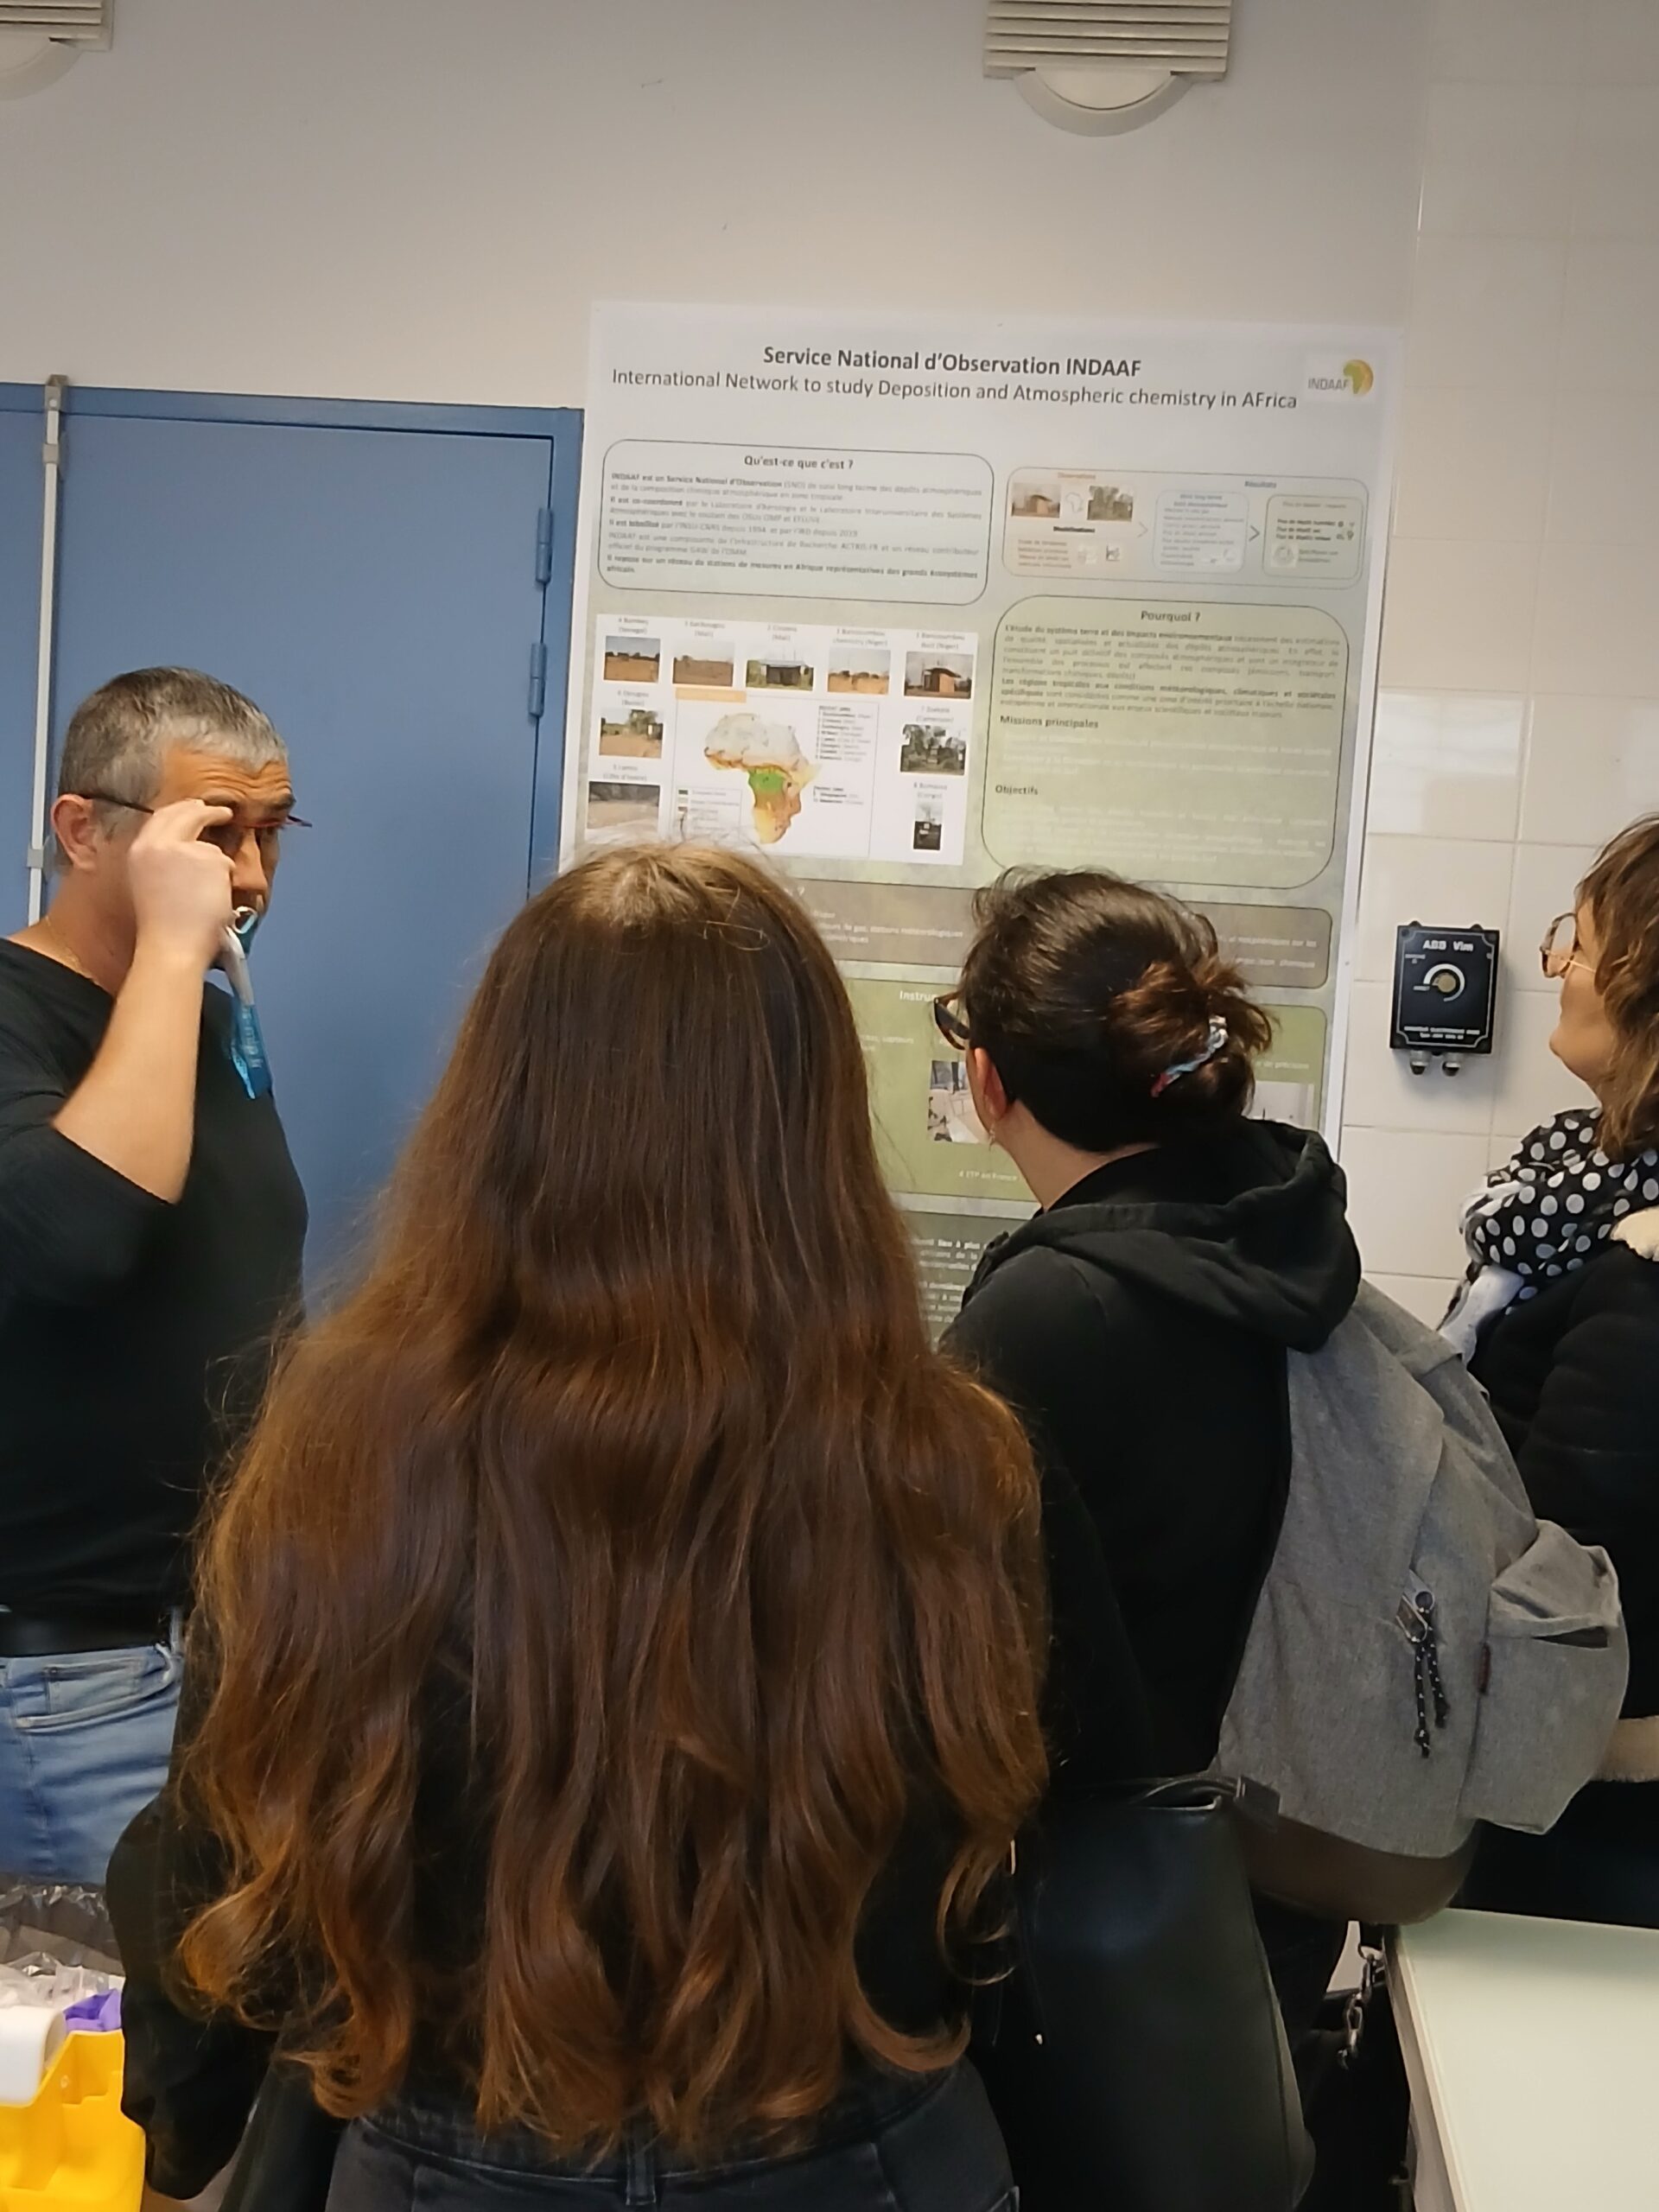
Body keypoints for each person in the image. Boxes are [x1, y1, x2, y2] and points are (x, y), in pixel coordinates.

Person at [110, 845, 1155, 2212]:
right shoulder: (952, 1464)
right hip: (868, 2146)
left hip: (446, 2151)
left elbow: (224, 1834)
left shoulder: (343, 1453)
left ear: (495, 1109)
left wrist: (181, 2138)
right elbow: (1084, 1826)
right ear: (812, 1123)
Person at [939, 868, 1363, 2047]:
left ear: (988, 1082)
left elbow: (949, 1639)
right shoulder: (1282, 1236)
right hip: (1274, 1859)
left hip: (1091, 1910)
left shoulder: (1049, 1312)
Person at [0, 668, 308, 1885]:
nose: (252, 877)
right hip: (66, 1679)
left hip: (223, 1653)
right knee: (90, 2003)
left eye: (272, 835)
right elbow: (80, 1234)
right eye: (215, 836)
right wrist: (177, 952)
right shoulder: (16, 1014)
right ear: (84, 831)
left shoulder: (209, 1024)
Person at [1451, 817, 1659, 1927]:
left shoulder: (1642, 1267)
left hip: (1601, 1793)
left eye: (1575, 944)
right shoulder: (1581, 1194)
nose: (1555, 968)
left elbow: (1576, 1559)